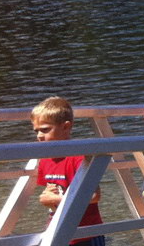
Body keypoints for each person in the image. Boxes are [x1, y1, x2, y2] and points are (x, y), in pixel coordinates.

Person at [31, 97, 104, 246]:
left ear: (66, 127)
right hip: (57, 230)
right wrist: (47, 196)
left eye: (45, 129)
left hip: (85, 234)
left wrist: (56, 199)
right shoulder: (45, 159)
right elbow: (52, 189)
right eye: (36, 131)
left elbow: (94, 196)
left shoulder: (79, 158)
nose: (39, 136)